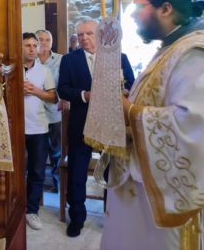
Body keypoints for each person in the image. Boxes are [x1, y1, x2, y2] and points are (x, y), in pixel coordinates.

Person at [100, 0, 204, 250]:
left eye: (139, 6)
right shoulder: (169, 48)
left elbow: (192, 126)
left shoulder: (193, 53)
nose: (133, 15)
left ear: (166, 9)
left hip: (158, 200)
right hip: (140, 189)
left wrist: (129, 111)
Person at [58, 17, 134, 237]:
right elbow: (63, 89)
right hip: (81, 123)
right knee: (77, 172)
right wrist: (85, 95)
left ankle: (111, 216)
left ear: (99, 34)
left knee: (112, 171)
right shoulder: (69, 60)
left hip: (111, 124)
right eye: (80, 34)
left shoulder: (119, 57)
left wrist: (124, 92)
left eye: (89, 33)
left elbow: (131, 84)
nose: (84, 38)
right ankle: (77, 217)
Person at [22, 32, 57, 231]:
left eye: (34, 45)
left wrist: (35, 91)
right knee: (16, 170)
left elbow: (53, 98)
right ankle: (16, 206)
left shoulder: (44, 71)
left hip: (38, 128)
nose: (32, 49)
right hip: (16, 128)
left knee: (37, 171)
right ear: (20, 47)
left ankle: (32, 211)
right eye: (27, 45)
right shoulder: (10, 69)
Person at [36, 29, 63, 193]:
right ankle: (36, 188)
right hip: (34, 115)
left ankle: (58, 185)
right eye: (41, 39)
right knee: (36, 153)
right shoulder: (29, 60)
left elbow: (64, 84)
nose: (44, 43)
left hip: (54, 113)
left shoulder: (61, 60)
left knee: (56, 153)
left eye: (48, 40)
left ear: (52, 42)